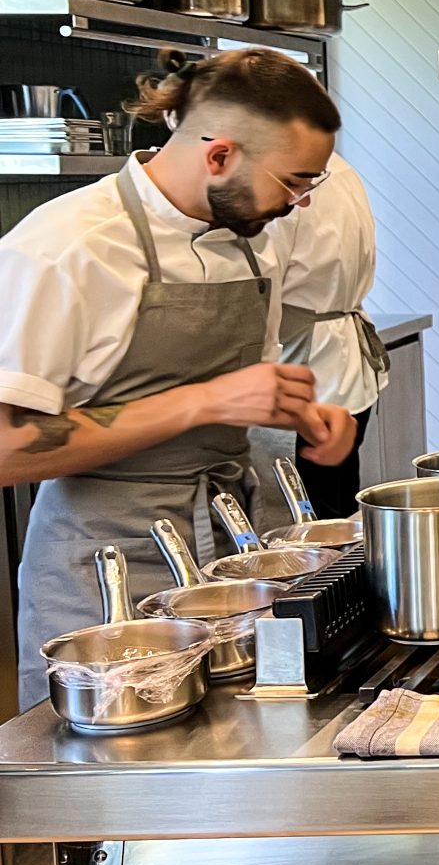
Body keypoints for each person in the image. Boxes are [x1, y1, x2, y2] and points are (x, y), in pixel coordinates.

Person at [0, 48, 357, 710]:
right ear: (218, 155)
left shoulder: (255, 236)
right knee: (108, 788)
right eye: (293, 181)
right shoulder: (67, 247)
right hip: (106, 571)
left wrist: (299, 413)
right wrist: (201, 402)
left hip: (233, 557)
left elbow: (237, 381)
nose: (301, 202)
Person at [268, 151, 388, 518]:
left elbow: (263, 283)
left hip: (304, 361)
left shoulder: (285, 176)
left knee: (306, 518)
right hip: (345, 359)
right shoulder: (342, 169)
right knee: (336, 508)